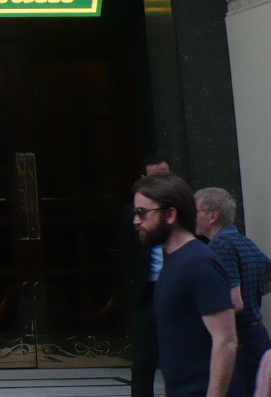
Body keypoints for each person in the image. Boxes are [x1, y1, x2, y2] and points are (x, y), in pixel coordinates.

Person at [134, 172, 237, 397]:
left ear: (170, 214)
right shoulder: (175, 260)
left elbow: (226, 341)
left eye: (142, 213)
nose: (136, 221)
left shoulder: (198, 263)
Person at [196, 187, 271, 397]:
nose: (193, 216)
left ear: (212, 217)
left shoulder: (220, 246)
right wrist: (252, 294)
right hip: (257, 336)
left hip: (241, 339)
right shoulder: (245, 242)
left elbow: (234, 303)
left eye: (197, 210)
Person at [126, 157, 172, 397]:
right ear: (144, 180)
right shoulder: (132, 215)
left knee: (179, 355)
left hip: (177, 288)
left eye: (166, 176)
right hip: (148, 292)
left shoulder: (184, 210)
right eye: (156, 177)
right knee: (143, 360)